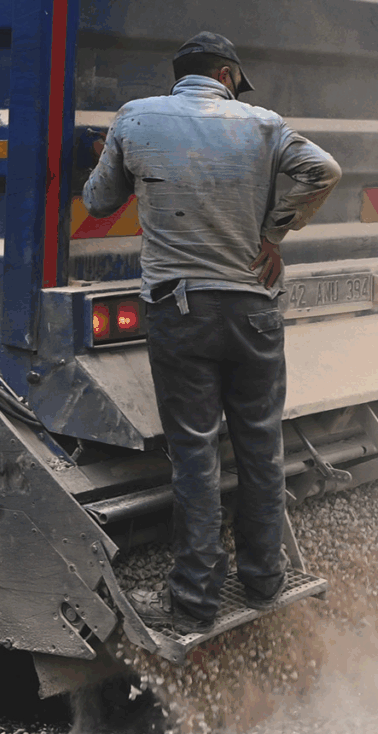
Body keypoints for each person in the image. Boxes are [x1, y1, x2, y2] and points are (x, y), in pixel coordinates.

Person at [83, 32, 343, 627]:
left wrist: (113, 154)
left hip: (181, 312)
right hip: (253, 309)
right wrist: (275, 235)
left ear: (183, 76)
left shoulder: (136, 118)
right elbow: (323, 170)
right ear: (226, 75)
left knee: (196, 453)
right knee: (259, 444)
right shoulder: (262, 124)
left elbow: (98, 202)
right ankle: (262, 581)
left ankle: (196, 600)